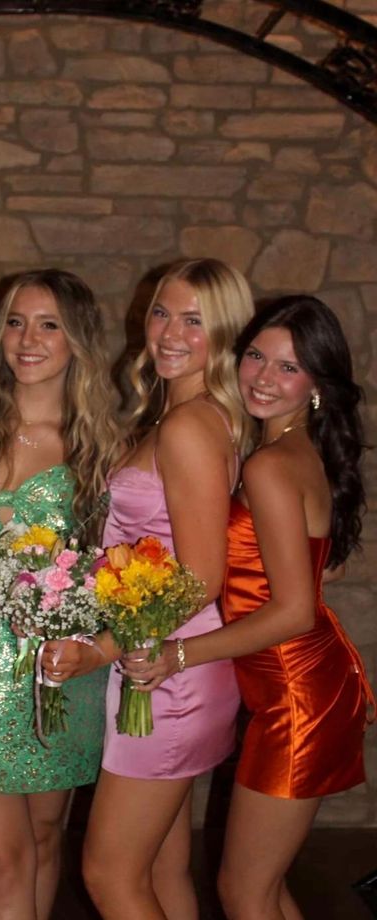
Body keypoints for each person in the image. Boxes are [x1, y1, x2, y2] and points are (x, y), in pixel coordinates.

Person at [126, 295, 375, 920]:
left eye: (288, 367)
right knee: (263, 888)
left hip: (297, 694)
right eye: (257, 357)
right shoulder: (285, 454)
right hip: (297, 683)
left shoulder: (268, 465)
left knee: (245, 891)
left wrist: (177, 653)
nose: (263, 377)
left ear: (318, 383)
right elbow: (321, 566)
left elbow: (293, 612)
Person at [43, 258, 255, 919]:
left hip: (165, 676)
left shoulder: (191, 426)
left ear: (225, 334)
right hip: (164, 666)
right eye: (162, 312)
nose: (168, 332)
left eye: (194, 320)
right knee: (163, 873)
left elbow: (199, 577)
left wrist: (103, 650)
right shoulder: (188, 414)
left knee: (110, 876)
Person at [0, 268, 120, 920]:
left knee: (41, 837)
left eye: (48, 324)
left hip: (59, 672)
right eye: (15, 321)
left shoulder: (103, 446)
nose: (27, 339)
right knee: (3, 857)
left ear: (78, 341)